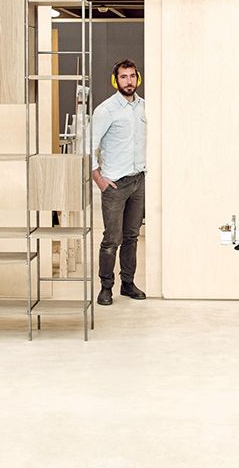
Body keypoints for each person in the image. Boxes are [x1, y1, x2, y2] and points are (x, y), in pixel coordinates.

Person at [91, 59, 147, 306]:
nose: (129, 81)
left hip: (138, 181)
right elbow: (88, 146)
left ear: (138, 78)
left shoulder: (144, 107)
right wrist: (99, 180)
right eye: (123, 77)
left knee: (132, 236)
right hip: (114, 185)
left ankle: (128, 283)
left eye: (132, 76)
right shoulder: (106, 110)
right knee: (111, 239)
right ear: (116, 80)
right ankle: (105, 287)